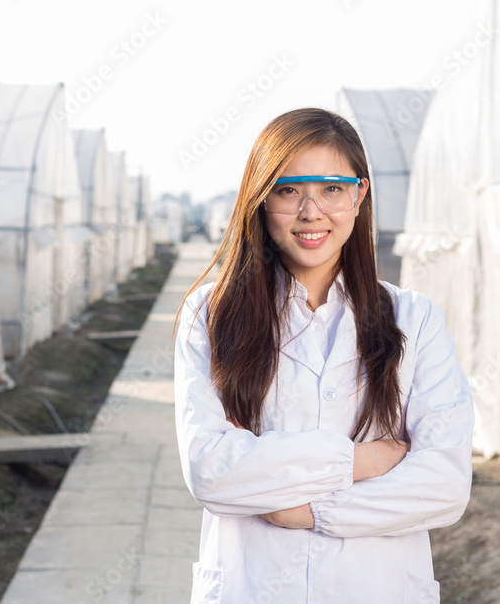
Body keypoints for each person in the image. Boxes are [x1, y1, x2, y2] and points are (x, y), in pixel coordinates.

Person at [172, 107, 474, 603]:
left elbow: (443, 485)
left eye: (332, 189)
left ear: (359, 195)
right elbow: (211, 470)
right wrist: (361, 459)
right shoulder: (210, 314)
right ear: (260, 199)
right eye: (289, 190)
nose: (311, 211)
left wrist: (311, 512)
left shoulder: (414, 320)